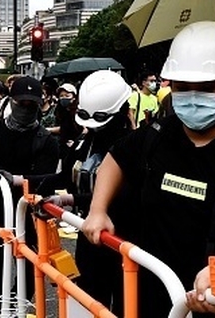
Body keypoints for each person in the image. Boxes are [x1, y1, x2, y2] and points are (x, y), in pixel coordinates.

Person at [82, 22, 215, 317]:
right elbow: (115, 159)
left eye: (207, 88)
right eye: (182, 88)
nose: (193, 97)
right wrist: (98, 209)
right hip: (153, 300)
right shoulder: (157, 133)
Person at [42, 70, 135, 314]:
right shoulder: (87, 141)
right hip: (88, 236)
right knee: (89, 300)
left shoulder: (133, 147)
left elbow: (126, 196)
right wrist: (21, 182)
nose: (94, 127)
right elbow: (64, 176)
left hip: (122, 240)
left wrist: (69, 199)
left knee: (126, 304)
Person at [0, 76, 59, 313]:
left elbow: (49, 181)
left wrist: (16, 180)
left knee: (28, 261)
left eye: (32, 105)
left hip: (29, 213)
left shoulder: (45, 140)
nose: (26, 109)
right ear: (11, 101)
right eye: (21, 103)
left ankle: (20, 306)